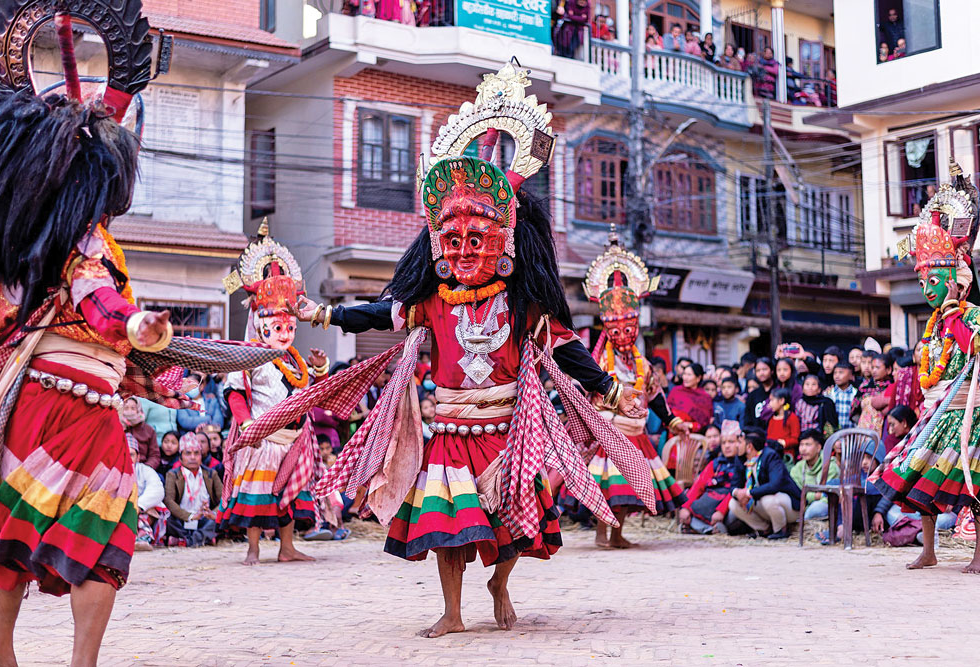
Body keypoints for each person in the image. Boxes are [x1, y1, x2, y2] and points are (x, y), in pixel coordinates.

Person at [298, 64, 654, 638]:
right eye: (453, 240)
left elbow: (566, 350)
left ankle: (502, 583)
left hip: (512, 432)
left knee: (516, 527)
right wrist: (320, 313)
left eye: (476, 240)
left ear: (504, 243)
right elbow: (378, 310)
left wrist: (608, 387)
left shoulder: (523, 307)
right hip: (450, 436)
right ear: (439, 244)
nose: (463, 251)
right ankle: (453, 612)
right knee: (449, 529)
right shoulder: (431, 301)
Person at [0, 7, 179, 665]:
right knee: (30, 536)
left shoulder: (86, 241)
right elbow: (97, 301)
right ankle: (9, 655)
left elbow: (110, 316)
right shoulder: (64, 246)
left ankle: (47, 659)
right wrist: (133, 322)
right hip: (46, 405)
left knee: (88, 537)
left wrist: (150, 346)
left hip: (86, 409)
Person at [873, 162, 980, 574]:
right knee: (918, 475)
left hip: (970, 412)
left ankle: (976, 553)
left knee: (968, 481)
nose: (926, 290)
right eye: (922, 283)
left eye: (933, 282)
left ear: (957, 280)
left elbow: (975, 348)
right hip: (938, 411)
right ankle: (929, 550)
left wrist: (954, 309)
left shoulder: (968, 315)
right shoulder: (934, 326)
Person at [219, 222, 329, 566]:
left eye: (290, 327)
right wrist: (247, 423)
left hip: (295, 438)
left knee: (290, 495)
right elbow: (234, 392)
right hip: (262, 438)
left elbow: (309, 393)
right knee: (259, 495)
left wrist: (321, 368)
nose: (284, 333)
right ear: (261, 325)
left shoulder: (295, 360)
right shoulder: (248, 355)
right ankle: (253, 549)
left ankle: (287, 547)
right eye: (277, 328)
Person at [580, 230, 690, 548]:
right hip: (611, 431)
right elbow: (588, 394)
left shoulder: (644, 364)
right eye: (616, 328)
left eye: (629, 327)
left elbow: (654, 397)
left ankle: (617, 534)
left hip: (637, 432)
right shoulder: (599, 359)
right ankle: (602, 534)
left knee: (632, 485)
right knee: (610, 486)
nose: (624, 334)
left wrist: (672, 422)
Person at [729, 429, 802, 539]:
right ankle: (764, 529)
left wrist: (748, 493)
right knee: (733, 503)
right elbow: (734, 484)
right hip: (762, 503)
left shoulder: (770, 456)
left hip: (789, 505)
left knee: (768, 499)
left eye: (739, 443)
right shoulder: (740, 459)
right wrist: (738, 493)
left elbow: (774, 485)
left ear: (749, 447)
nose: (736, 446)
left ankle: (780, 530)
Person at [680, 421, 745, 534]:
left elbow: (737, 491)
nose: (727, 446)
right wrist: (685, 507)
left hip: (727, 506)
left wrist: (721, 511)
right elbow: (698, 486)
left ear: (739, 443)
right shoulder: (716, 464)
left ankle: (701, 528)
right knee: (690, 511)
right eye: (724, 443)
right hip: (710, 501)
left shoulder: (744, 465)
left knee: (736, 512)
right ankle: (710, 529)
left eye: (731, 442)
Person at [164, 434, 222, 547]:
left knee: (217, 521)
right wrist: (190, 516)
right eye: (188, 453)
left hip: (204, 519)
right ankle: (202, 538)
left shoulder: (211, 474)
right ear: (180, 457)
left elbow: (223, 499)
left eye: (196, 453)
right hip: (183, 518)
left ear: (201, 456)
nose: (192, 457)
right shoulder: (173, 475)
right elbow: (169, 501)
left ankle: (186, 541)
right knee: (168, 520)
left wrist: (212, 513)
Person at [791, 429, 839, 521]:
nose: (803, 449)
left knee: (815, 509)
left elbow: (827, 495)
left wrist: (807, 496)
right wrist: (815, 496)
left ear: (818, 448)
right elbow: (796, 494)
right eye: (801, 445)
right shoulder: (797, 469)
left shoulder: (830, 466)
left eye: (808, 444)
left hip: (824, 505)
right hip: (801, 506)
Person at [129, 436, 165, 552]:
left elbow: (157, 490)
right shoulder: (113, 472)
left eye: (131, 455)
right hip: (121, 510)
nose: (128, 458)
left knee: (144, 515)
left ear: (138, 457)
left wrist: (138, 506)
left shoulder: (145, 470)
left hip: (142, 510)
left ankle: (143, 539)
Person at [667, 362, 714, 435]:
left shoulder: (705, 397)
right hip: (674, 433)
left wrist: (690, 425)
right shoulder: (675, 391)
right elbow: (667, 412)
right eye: (684, 374)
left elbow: (705, 421)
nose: (685, 377)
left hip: (695, 436)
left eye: (689, 375)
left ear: (698, 378)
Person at [121, 398, 161, 470]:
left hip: (144, 468)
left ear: (138, 409)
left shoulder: (149, 430)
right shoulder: (117, 427)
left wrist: (145, 468)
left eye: (133, 408)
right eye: (126, 408)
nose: (129, 411)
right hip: (121, 468)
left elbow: (154, 455)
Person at [764, 387, 801, 461]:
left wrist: (783, 443)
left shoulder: (792, 418)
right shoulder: (771, 418)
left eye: (772, 400)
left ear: (781, 400)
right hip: (771, 454)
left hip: (786, 456)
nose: (770, 404)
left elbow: (795, 439)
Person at [825, 361, 858, 429]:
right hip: (835, 434)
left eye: (841, 372)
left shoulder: (855, 394)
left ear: (851, 376)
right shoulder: (829, 393)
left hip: (852, 433)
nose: (837, 376)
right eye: (835, 373)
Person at [744, 357, 775, 427]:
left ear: (772, 370)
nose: (761, 373)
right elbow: (748, 419)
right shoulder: (753, 395)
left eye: (764, 369)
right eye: (758, 370)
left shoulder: (778, 391)